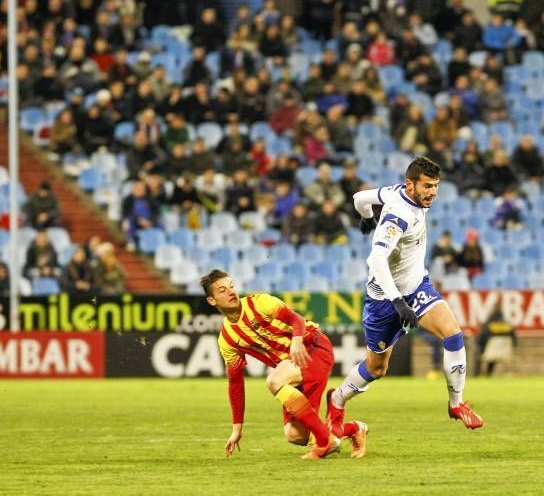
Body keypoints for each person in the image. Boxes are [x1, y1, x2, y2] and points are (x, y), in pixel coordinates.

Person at [326, 157, 484, 436]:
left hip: (417, 287)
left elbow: (360, 197)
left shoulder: (394, 192)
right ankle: (337, 400)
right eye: (427, 186)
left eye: (435, 186)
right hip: (384, 300)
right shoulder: (397, 215)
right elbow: (375, 260)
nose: (433, 192)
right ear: (410, 185)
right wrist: (398, 302)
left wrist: (366, 218)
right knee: (376, 368)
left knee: (453, 334)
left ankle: (456, 404)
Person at [200, 270, 366, 460]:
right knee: (295, 435)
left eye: (231, 286)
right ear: (212, 300)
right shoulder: (227, 339)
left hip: (312, 346)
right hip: (292, 368)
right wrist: (237, 428)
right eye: (222, 290)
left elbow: (295, 319)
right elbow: (235, 383)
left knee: (274, 381)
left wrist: (296, 340)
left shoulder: (259, 303)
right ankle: (353, 428)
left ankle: (325, 441)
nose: (230, 292)